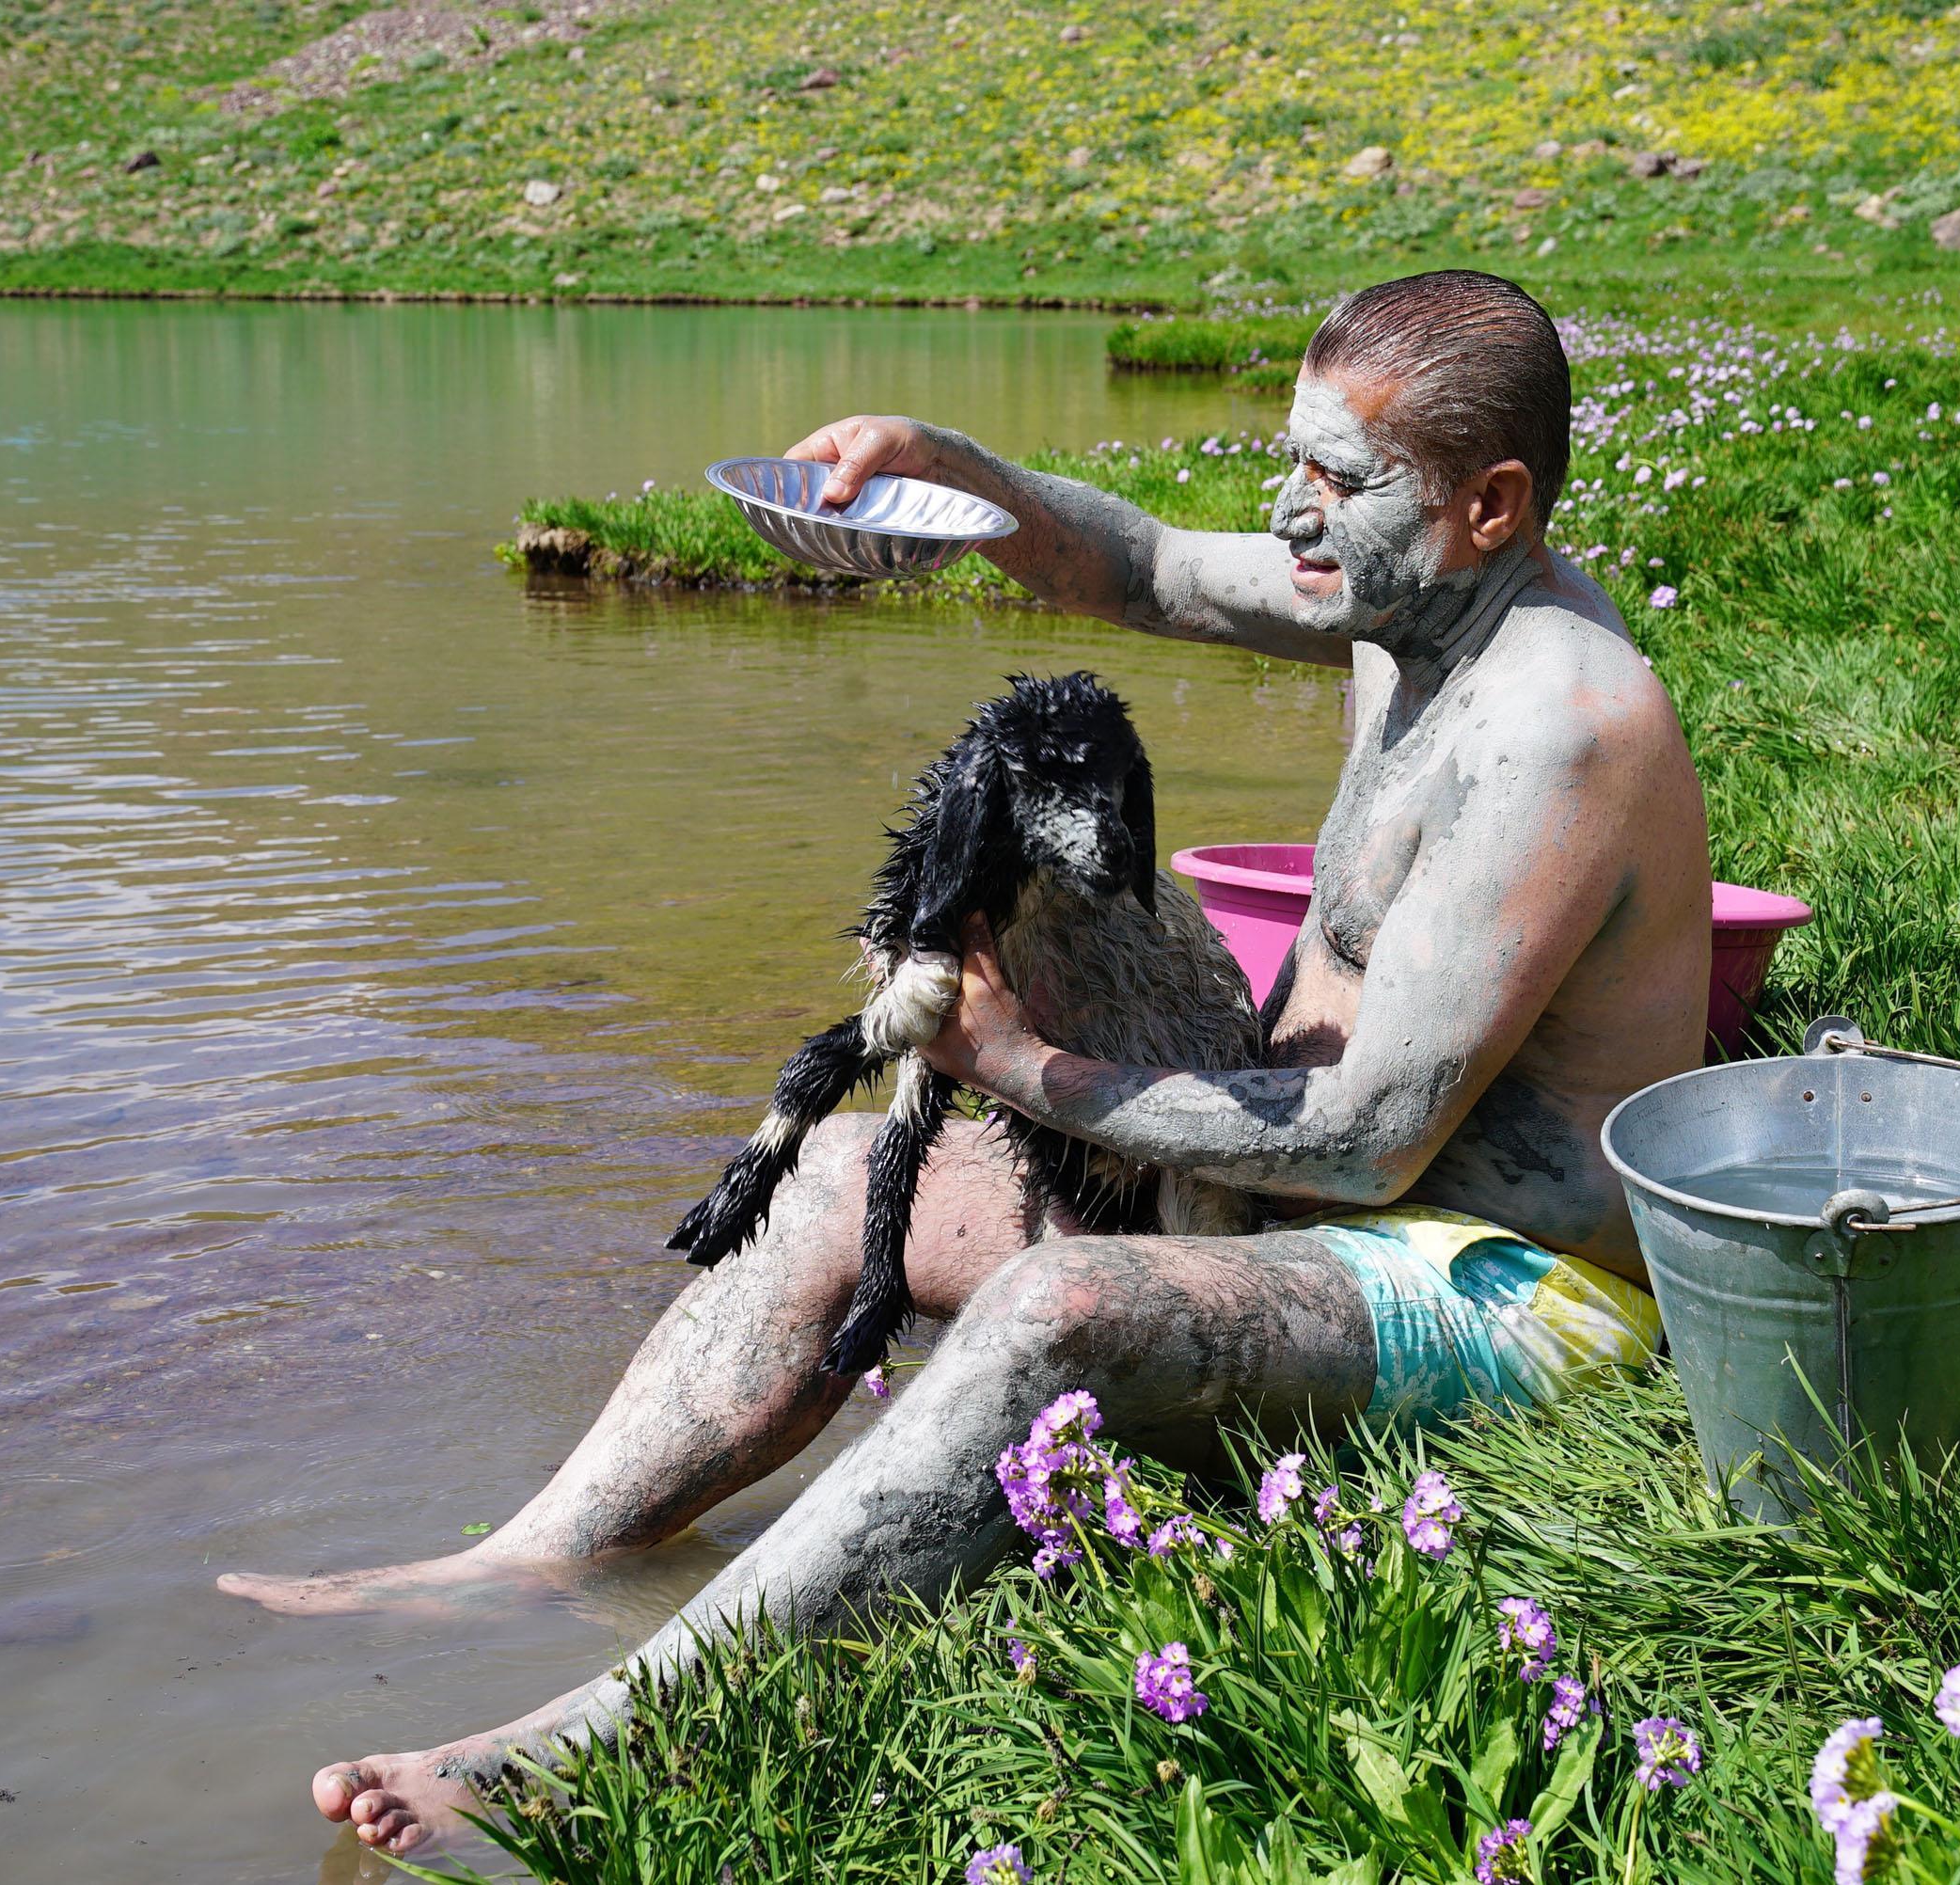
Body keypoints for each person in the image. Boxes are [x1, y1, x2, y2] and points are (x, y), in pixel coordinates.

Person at [222, 268, 1714, 1861]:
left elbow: (1368, 1142)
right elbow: (1142, 562)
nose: (1292, 511)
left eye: (1336, 482)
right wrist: (957, 468)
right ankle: (537, 1559)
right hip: (1306, 1229)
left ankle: (600, 1741)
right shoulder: (1406, 597)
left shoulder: (1558, 722)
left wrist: (1020, 1063)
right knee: (828, 1181)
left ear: (1491, 505)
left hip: (1502, 1295)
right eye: (1292, 460)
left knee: (1057, 1309)